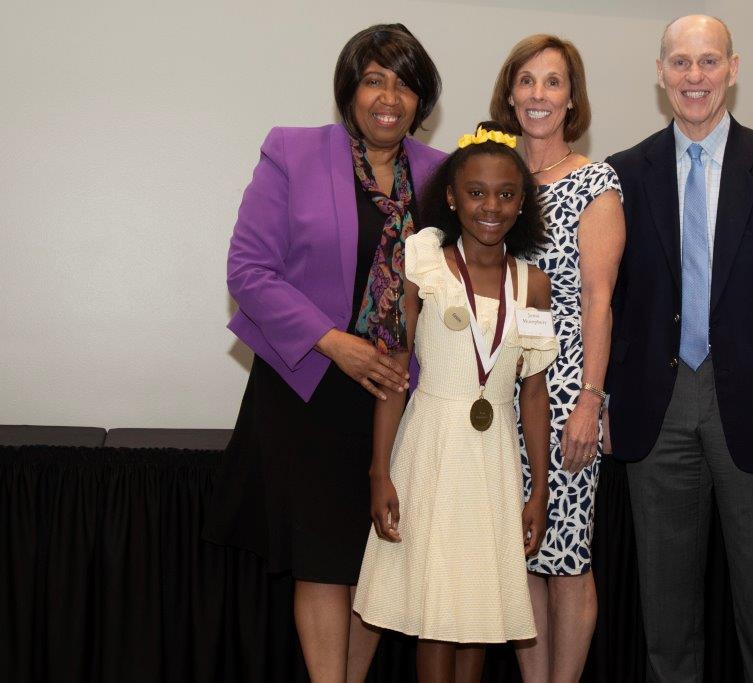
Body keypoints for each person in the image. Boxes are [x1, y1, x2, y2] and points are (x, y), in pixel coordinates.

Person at [202, 23, 445, 683]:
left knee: (377, 557)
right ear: (350, 90)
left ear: (421, 100)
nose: (388, 97)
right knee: (322, 561)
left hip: (397, 394)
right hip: (308, 385)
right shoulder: (294, 151)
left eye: (404, 84)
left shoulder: (441, 172)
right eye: (374, 80)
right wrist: (339, 345)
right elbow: (248, 271)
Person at [605, 15, 753, 682]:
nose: (695, 77)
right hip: (656, 408)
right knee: (666, 614)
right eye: (680, 63)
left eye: (709, 62)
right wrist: (604, 395)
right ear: (660, 74)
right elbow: (610, 300)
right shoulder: (624, 172)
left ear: (733, 70)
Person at [353, 122, 557, 683]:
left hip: (494, 461)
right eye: (476, 192)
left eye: (506, 194)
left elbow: (533, 392)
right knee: (436, 611)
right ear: (450, 197)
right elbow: (395, 374)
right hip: (431, 449)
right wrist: (379, 472)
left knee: (478, 609)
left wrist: (540, 490)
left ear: (522, 202)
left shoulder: (532, 285)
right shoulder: (424, 264)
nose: (491, 206)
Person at [489, 35, 625, 682]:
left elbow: (599, 300)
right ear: (509, 94)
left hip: (567, 382)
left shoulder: (595, 181)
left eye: (553, 82)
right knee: (518, 553)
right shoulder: (493, 177)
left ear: (572, 98)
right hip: (497, 386)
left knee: (566, 555)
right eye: (527, 81)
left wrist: (590, 401)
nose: (538, 94)